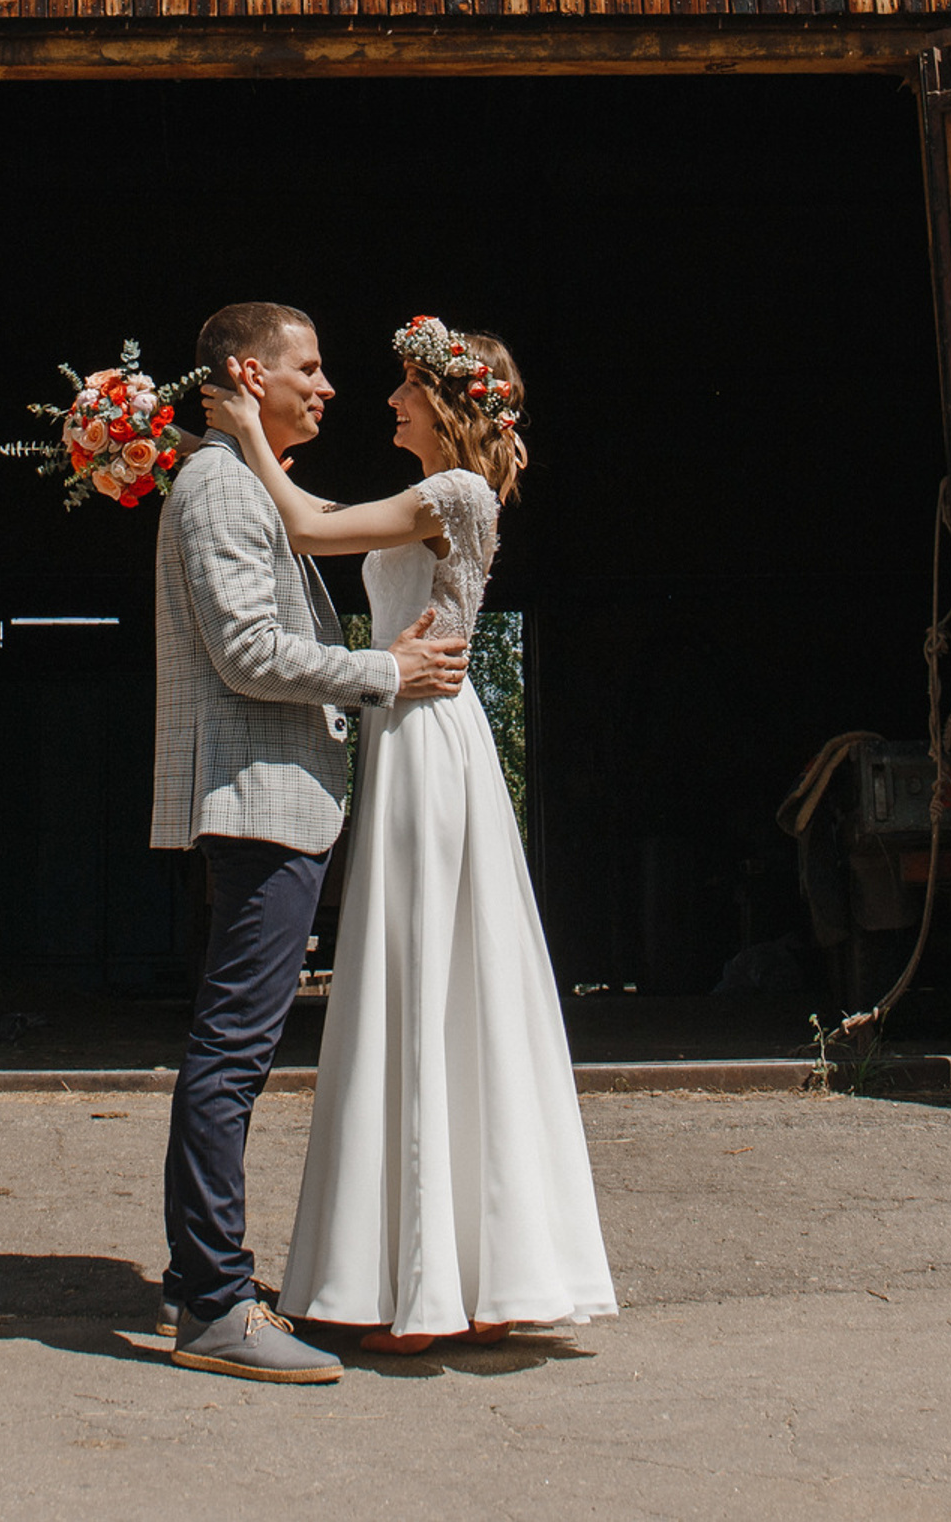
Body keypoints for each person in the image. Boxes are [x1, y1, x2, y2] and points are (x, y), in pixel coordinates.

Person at [206, 315, 616, 1351]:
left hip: (427, 734)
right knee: (428, 976)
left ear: (445, 403)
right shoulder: (430, 496)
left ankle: (425, 1291)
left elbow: (305, 528)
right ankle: (461, 1278)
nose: (386, 401)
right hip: (411, 727)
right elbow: (321, 515)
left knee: (421, 975)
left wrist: (247, 428)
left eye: (403, 388)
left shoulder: (457, 493)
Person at [151, 300, 472, 1384]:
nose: (330, 386)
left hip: (279, 798)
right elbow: (248, 652)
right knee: (233, 1051)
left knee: (233, 1046)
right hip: (258, 800)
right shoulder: (216, 487)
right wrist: (387, 671)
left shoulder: (247, 481)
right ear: (252, 373)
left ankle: (198, 1279)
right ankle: (213, 1303)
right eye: (311, 366)